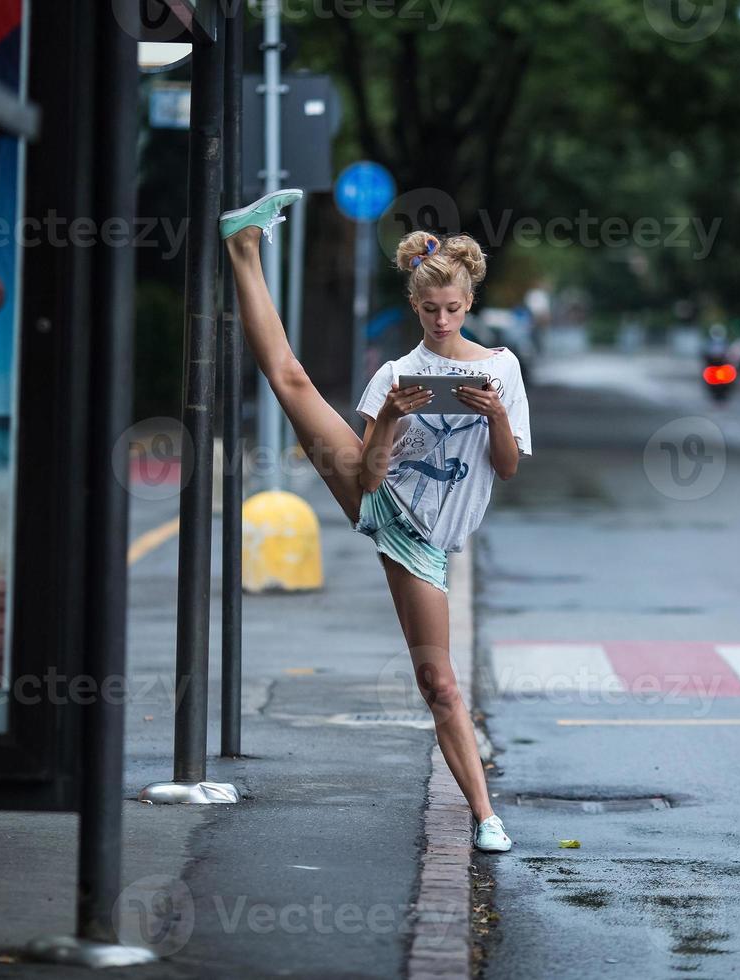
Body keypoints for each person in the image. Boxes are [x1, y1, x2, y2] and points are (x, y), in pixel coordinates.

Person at [219, 189, 531, 853]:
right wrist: (389, 414)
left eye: (452, 309)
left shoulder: (503, 370)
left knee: (432, 681)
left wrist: (495, 415)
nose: (441, 320)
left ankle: (242, 247)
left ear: (469, 303)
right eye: (428, 309)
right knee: (291, 381)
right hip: (393, 513)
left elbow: (505, 469)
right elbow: (367, 478)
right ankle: (485, 815)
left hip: (435, 540)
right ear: (413, 307)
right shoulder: (397, 372)